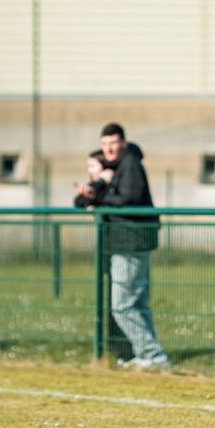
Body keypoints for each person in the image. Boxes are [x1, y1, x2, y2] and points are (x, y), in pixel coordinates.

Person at [76, 123, 168, 368]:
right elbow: (80, 200)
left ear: (123, 143)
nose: (109, 148)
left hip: (130, 242)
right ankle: (150, 356)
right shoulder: (117, 167)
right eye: (105, 144)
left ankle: (153, 355)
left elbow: (131, 198)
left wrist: (100, 196)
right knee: (137, 303)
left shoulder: (130, 164)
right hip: (129, 241)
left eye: (113, 143)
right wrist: (98, 186)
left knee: (122, 306)